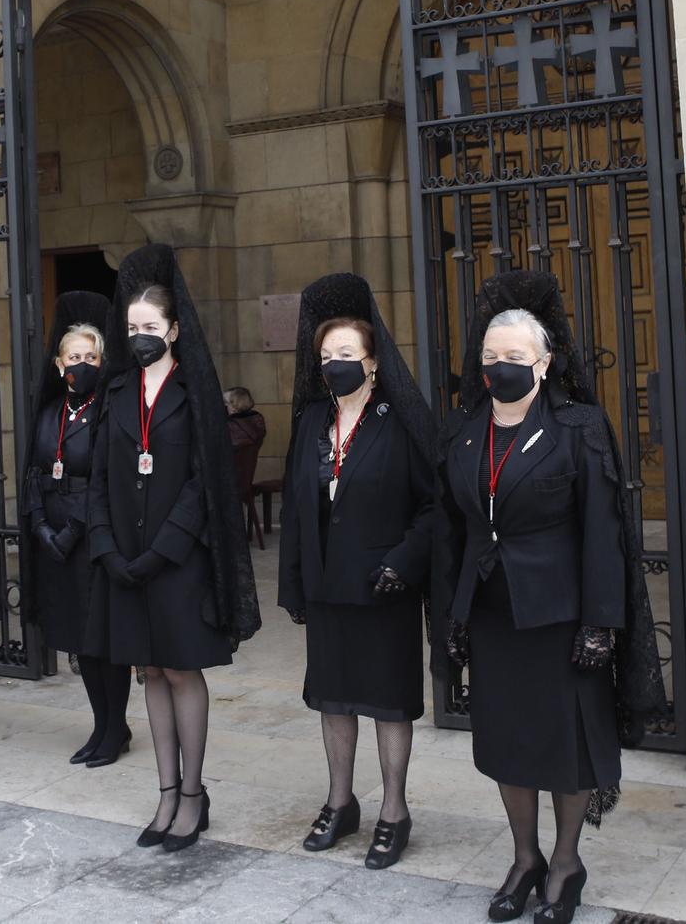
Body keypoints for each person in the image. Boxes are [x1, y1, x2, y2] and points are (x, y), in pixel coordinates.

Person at [440, 270, 664, 924]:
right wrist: (455, 611)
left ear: (544, 361)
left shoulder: (579, 428)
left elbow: (604, 533)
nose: (500, 367)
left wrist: (600, 623)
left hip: (563, 619)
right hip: (493, 615)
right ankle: (525, 856)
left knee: (566, 745)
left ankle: (566, 862)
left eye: (514, 357)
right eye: (490, 357)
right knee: (509, 741)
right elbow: (458, 532)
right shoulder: (464, 430)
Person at [86, 243, 261, 853]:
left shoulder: (194, 392)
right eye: (132, 328)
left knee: (182, 670)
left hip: (176, 559)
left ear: (174, 329)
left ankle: (193, 794)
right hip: (125, 561)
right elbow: (101, 481)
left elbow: (203, 483)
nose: (140, 337)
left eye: (150, 328)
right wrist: (107, 548)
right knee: (150, 671)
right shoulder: (113, 393)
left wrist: (162, 550)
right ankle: (164, 792)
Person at [279, 273, 438, 870]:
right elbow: (297, 509)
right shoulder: (310, 422)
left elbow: (432, 505)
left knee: (390, 704)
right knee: (334, 699)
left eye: (346, 355)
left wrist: (404, 561)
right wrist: (294, 581)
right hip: (328, 588)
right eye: (326, 357)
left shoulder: (400, 423)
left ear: (372, 363)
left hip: (384, 587)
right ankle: (340, 802)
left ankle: (394, 810)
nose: (334, 365)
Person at [23, 292, 133, 767]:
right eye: (74, 357)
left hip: (95, 537)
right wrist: (42, 526)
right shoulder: (49, 412)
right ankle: (100, 724)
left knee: (105, 640)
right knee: (79, 640)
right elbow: (32, 472)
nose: (81, 364)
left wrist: (73, 530)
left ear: (102, 361)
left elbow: (110, 478)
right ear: (58, 362)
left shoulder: (108, 409)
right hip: (57, 539)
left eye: (91, 356)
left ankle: (117, 729)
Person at [225, 386, 268, 536]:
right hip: (245, 482)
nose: (224, 406)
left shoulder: (229, 427)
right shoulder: (256, 422)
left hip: (228, 484)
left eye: (227, 403)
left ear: (235, 405)